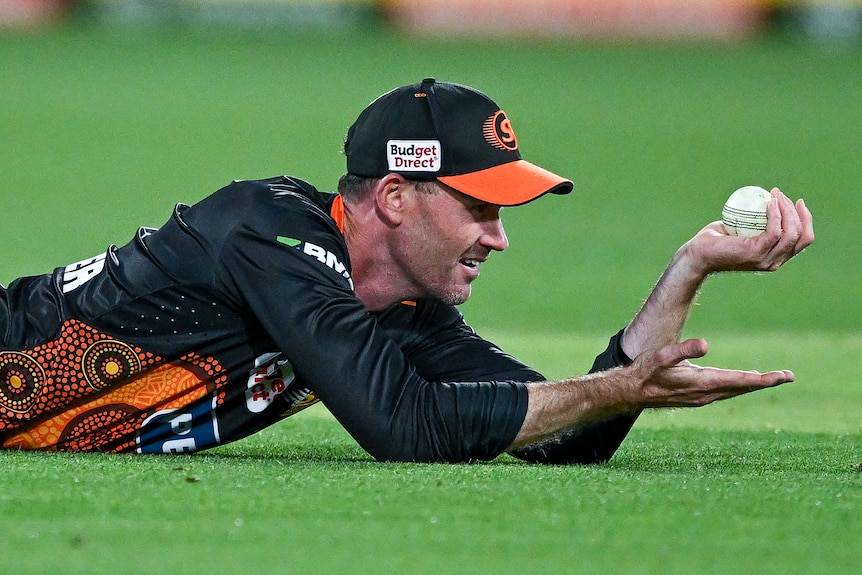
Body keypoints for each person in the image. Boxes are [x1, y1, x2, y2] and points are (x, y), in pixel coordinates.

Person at [0, 78, 814, 463]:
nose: (498, 238)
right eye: (481, 208)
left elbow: (566, 434)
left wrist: (688, 269)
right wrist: (615, 387)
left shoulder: (399, 308)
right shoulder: (269, 231)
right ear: (394, 196)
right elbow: (401, 424)